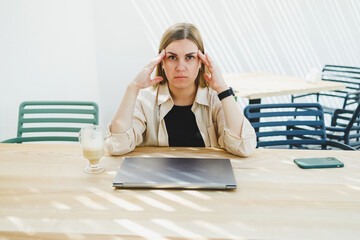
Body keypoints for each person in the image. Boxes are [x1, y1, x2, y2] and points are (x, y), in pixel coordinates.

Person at [105, 23, 256, 157]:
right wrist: (133, 88)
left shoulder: (215, 98)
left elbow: (244, 147)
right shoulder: (145, 99)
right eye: (172, 57)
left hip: (207, 182)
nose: (180, 67)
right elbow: (117, 146)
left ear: (200, 63)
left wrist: (223, 89)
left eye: (190, 57)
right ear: (162, 62)